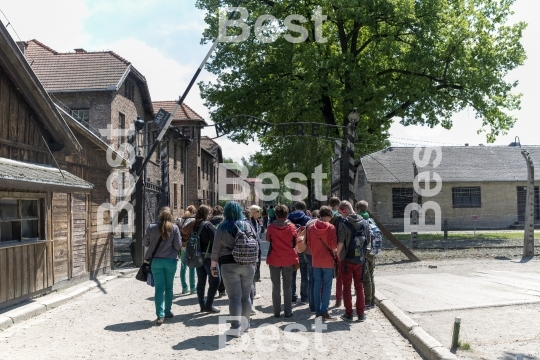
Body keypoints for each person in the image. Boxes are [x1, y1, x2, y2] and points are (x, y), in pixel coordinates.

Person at [211, 201, 258, 336]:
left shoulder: (222, 227)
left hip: (228, 265)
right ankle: (246, 323)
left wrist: (213, 267)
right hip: (248, 264)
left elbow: (215, 250)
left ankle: (235, 326)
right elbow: (256, 244)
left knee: (234, 298)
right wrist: (255, 262)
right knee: (246, 296)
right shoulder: (248, 225)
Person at [142, 207, 181, 325]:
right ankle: (167, 311)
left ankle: (160, 314)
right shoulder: (174, 228)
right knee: (169, 287)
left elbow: (145, 243)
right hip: (171, 261)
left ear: (160, 215)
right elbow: (178, 246)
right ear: (171, 216)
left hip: (156, 261)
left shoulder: (152, 227)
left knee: (159, 288)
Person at [336, 201, 369, 322]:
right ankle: (361, 313)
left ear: (344, 210)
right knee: (359, 287)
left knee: (347, 287)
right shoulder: (365, 222)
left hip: (346, 259)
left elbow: (341, 241)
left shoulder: (343, 223)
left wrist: (337, 253)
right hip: (360, 259)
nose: (341, 215)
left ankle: (349, 313)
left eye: (341, 212)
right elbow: (368, 240)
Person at [266, 204, 298, 317]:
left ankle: (276, 311)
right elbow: (295, 242)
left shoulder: (270, 227)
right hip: (288, 259)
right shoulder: (292, 227)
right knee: (287, 286)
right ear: (287, 213)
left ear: (275, 214)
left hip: (274, 258)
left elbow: (268, 239)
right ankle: (288, 312)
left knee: (276, 286)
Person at [307, 205, 337, 320]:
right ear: (329, 216)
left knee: (317, 286)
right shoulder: (331, 228)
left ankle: (318, 311)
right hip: (328, 261)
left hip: (316, 260)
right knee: (327, 286)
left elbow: (309, 244)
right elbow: (333, 245)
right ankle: (324, 311)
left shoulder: (311, 228)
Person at [193, 205, 221, 313]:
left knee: (201, 282)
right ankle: (209, 304)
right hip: (209, 257)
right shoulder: (208, 225)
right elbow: (216, 240)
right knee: (215, 280)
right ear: (206, 214)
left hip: (198, 257)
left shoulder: (195, 224)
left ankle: (202, 304)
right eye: (209, 213)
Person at [288, 201, 312, 304]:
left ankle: (292, 296)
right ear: (305, 208)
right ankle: (304, 297)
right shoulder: (307, 219)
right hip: (303, 248)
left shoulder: (288, 218)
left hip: (291, 248)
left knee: (292, 273)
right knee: (304, 272)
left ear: (295, 208)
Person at [356, 200, 375, 310]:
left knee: (366, 278)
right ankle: (372, 300)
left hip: (364, 251)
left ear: (357, 209)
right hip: (373, 251)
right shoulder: (371, 220)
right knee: (371, 277)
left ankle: (367, 301)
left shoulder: (359, 220)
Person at [177, 205, 197, 294]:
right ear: (193, 212)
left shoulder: (179, 221)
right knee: (192, 267)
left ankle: (184, 288)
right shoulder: (193, 221)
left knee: (183, 267)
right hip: (191, 246)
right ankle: (193, 288)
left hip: (182, 246)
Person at [328, 196, 344, 308]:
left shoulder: (325, 215)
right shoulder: (341, 217)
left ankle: (324, 300)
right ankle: (338, 299)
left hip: (327, 248)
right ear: (338, 205)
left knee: (326, 274)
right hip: (339, 247)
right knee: (339, 275)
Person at [249, 205, 263, 312]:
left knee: (256, 270)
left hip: (257, 249)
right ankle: (251, 293)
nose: (260, 213)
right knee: (253, 271)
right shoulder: (251, 222)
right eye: (258, 211)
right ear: (253, 212)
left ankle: (253, 291)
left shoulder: (256, 222)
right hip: (254, 250)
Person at [211, 205, 226, 298]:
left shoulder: (209, 222)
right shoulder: (224, 222)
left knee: (214, 270)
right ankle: (222, 290)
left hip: (212, 249)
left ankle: (214, 288)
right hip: (223, 249)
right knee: (222, 269)